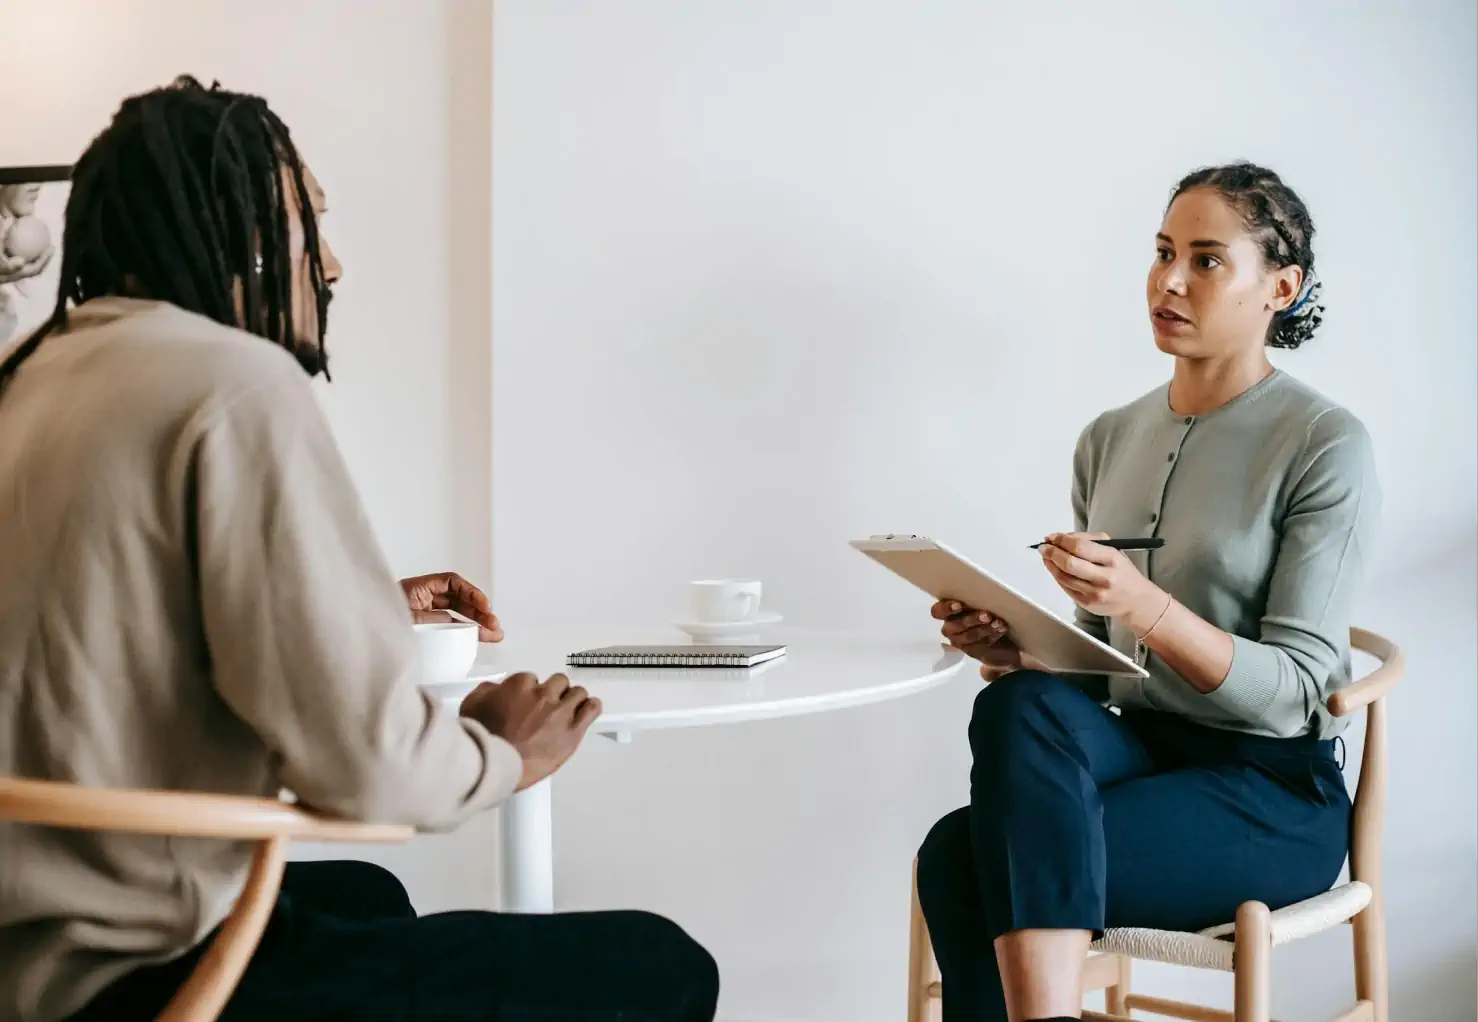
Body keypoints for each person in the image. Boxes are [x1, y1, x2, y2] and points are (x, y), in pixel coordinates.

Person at [0, 77, 719, 1022]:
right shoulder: (233, 383)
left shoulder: (33, 376)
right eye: (310, 226)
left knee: (367, 897)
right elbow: (370, 773)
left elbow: (107, 626)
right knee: (660, 964)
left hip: (26, 946)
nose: (331, 265)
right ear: (245, 237)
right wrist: (501, 753)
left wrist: (358, 601)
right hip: (133, 975)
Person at [915, 163, 1378, 1022]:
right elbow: (1101, 675)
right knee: (1016, 705)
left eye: (1207, 260)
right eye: (1163, 252)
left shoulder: (1324, 443)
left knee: (962, 856)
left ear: (1280, 289)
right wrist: (1016, 648)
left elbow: (1295, 696)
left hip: (1270, 794)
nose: (1169, 280)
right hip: (1144, 754)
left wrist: (1147, 608)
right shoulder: (1108, 438)